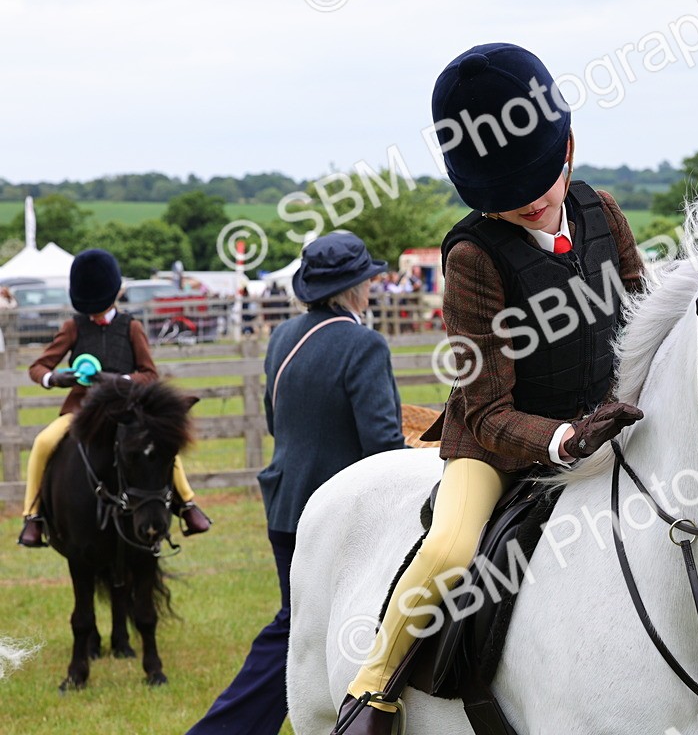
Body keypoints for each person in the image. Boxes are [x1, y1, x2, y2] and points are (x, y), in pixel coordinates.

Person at [334, 42, 646, 734]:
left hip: (607, 418)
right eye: (508, 199)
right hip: (499, 442)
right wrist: (563, 439)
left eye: (540, 184)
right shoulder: (474, 256)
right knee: (448, 550)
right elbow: (487, 405)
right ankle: (372, 690)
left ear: (567, 151)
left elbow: (644, 316)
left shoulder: (604, 211)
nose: (531, 204)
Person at [187, 232, 406, 734]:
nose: (373, 288)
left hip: (285, 505)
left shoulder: (283, 336)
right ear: (357, 287)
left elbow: (273, 419)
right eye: (369, 281)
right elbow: (381, 444)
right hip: (340, 518)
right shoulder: (364, 344)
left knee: (299, 629)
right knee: (305, 632)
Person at [17, 250, 210, 548]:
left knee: (161, 445)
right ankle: (33, 517)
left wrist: (118, 380)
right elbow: (37, 367)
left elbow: (149, 374)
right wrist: (54, 378)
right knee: (43, 442)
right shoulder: (73, 327)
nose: (93, 313)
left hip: (127, 411)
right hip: (81, 411)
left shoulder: (132, 327)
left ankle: (187, 504)